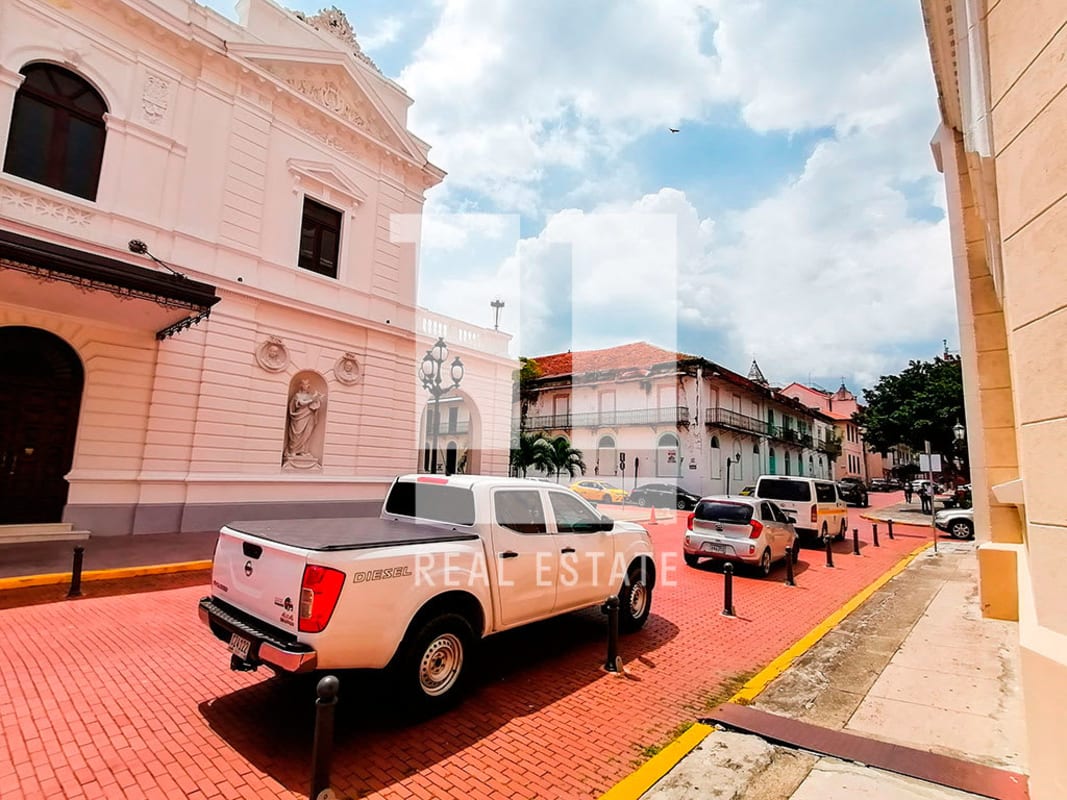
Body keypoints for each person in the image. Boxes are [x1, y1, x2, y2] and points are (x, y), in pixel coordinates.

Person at [285, 379, 323, 460]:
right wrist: (313, 398)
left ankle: (302, 451)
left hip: (309, 416)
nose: (306, 386)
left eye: (307, 384)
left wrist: (318, 399)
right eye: (304, 384)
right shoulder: (297, 395)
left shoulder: (310, 396)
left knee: (307, 433)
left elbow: (315, 405)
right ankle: (293, 450)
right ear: (301, 385)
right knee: (297, 433)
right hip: (299, 416)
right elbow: (302, 403)